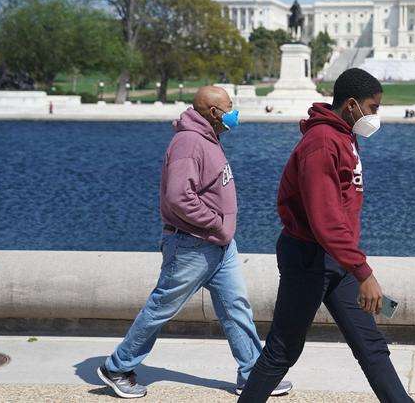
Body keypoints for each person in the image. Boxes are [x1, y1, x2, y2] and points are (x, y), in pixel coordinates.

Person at [97, 86, 292, 399]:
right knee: (162, 307)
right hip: (192, 245)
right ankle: (117, 366)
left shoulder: (208, 138)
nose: (234, 112)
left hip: (219, 245)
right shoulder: (189, 142)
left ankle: (252, 373)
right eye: (229, 107)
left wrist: (221, 231)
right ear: (213, 112)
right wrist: (214, 222)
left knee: (235, 307)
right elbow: (178, 197)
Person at [238, 69, 413, 402]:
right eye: (373, 107)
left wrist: (351, 262)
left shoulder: (344, 135)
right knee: (283, 350)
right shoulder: (320, 144)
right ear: (351, 105)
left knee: (371, 345)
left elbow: (341, 210)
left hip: (336, 258)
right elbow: (325, 218)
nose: (376, 115)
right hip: (309, 257)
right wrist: (363, 271)